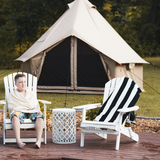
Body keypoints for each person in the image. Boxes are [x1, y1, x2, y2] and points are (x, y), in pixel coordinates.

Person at [8, 74, 44, 149]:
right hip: (19, 111)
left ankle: (38, 140)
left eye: (24, 82)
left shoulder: (30, 93)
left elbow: (34, 103)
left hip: (31, 110)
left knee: (39, 117)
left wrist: (29, 108)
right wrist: (24, 108)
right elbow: (12, 105)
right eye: (20, 82)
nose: (23, 84)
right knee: (15, 117)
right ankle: (18, 141)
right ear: (16, 84)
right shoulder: (13, 94)